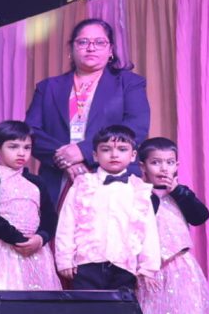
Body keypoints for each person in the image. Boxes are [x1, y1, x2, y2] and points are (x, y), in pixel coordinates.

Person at [25, 17, 150, 187]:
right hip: (58, 177)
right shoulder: (48, 87)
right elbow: (30, 133)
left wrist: (84, 151)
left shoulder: (129, 83)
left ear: (111, 50)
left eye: (99, 42)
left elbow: (136, 127)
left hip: (114, 178)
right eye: (83, 42)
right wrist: (65, 160)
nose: (91, 48)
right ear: (71, 48)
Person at [136, 137, 209, 314]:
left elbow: (200, 216)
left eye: (169, 162)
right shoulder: (138, 194)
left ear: (177, 165)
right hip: (150, 265)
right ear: (143, 166)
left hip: (179, 262)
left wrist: (178, 192)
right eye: (156, 162)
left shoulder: (181, 193)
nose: (163, 168)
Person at [55, 124, 161, 291]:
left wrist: (148, 267)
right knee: (85, 306)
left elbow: (149, 230)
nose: (114, 155)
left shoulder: (139, 189)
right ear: (95, 155)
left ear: (133, 155)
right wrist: (65, 259)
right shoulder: (82, 184)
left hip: (125, 267)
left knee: (121, 307)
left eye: (122, 149)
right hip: (86, 264)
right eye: (106, 149)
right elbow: (67, 223)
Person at [0, 120, 61, 291]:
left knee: (35, 299)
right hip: (0, 250)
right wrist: (18, 240)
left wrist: (40, 238)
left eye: (27, 147)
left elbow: (50, 216)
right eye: (13, 147)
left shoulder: (37, 182)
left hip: (35, 250)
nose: (21, 153)